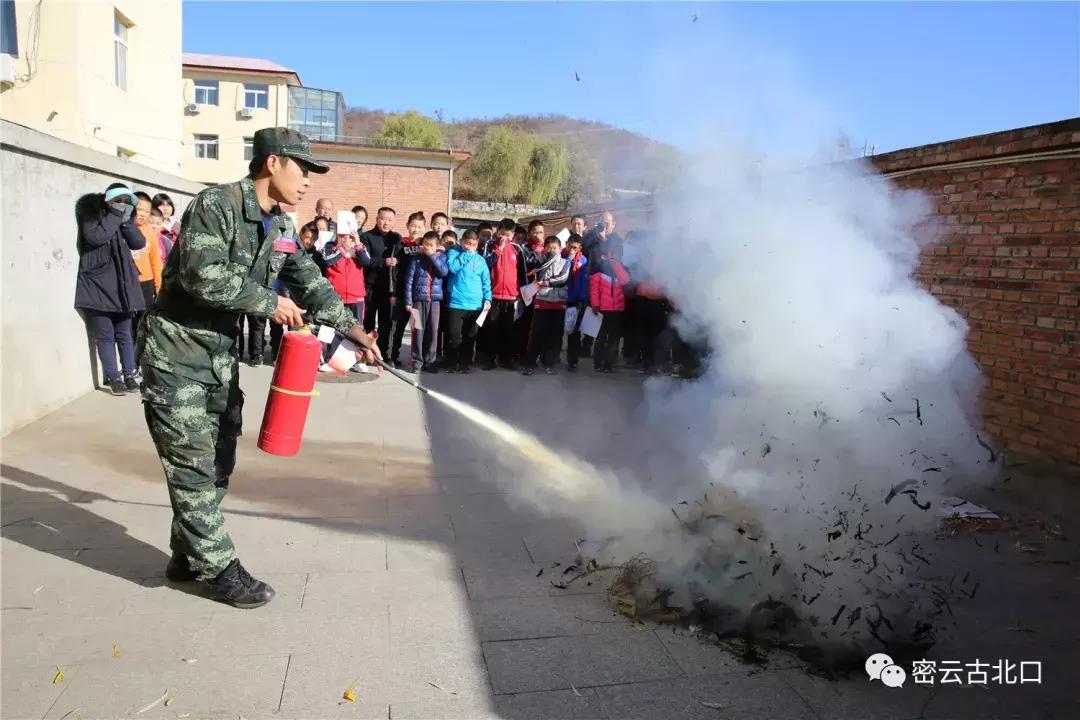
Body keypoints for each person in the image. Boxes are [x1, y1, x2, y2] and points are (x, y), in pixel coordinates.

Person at [137, 127, 380, 609]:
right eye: (302, 168)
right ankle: (220, 569)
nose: (307, 181)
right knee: (192, 467)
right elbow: (202, 275)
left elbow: (309, 281)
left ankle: (187, 555)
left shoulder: (282, 226)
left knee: (219, 461)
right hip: (176, 355)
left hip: (219, 359)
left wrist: (354, 330)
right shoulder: (217, 205)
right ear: (272, 163)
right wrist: (271, 303)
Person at [75, 182, 148, 395]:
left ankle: (129, 374)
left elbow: (138, 242)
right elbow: (96, 237)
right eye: (118, 200)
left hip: (123, 287)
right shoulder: (91, 214)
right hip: (97, 286)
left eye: (126, 202)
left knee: (124, 334)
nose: (122, 205)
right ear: (107, 200)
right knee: (105, 335)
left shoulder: (121, 219)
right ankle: (114, 378)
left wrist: (126, 223)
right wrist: (116, 214)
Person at [318, 223, 370, 371]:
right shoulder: (329, 247)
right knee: (333, 329)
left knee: (357, 330)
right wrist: (342, 248)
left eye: (348, 235)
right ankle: (330, 360)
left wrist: (357, 244)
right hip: (336, 296)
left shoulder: (360, 247)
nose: (346, 238)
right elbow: (328, 261)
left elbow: (366, 261)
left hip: (356, 296)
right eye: (342, 235)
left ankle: (358, 360)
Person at [480, 218, 530, 370]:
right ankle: (490, 359)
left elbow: (523, 273)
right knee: (491, 329)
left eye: (508, 235)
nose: (505, 238)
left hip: (512, 296)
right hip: (493, 296)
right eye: (502, 234)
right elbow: (485, 265)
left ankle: (506, 359)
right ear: (497, 231)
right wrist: (499, 249)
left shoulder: (517, 249)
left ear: (513, 235)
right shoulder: (490, 245)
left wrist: (523, 294)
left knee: (509, 330)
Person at [443, 230, 491, 373]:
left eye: (474, 245)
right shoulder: (453, 253)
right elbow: (452, 268)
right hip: (456, 303)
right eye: (467, 243)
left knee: (470, 336)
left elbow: (486, 281)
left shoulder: (480, 260)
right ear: (461, 241)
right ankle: (451, 362)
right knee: (454, 335)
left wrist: (488, 298)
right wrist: (466, 255)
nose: (470, 247)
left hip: (475, 304)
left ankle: (465, 363)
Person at [522, 236, 570, 375]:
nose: (552, 251)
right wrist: (548, 260)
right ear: (544, 249)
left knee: (554, 334)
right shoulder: (540, 262)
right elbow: (539, 277)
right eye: (549, 248)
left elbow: (563, 279)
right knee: (537, 333)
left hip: (559, 303)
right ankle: (530, 363)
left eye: (555, 248)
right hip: (542, 302)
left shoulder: (565, 263)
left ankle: (549, 363)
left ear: (560, 249)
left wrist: (547, 282)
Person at [404, 231, 449, 373]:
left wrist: (432, 256)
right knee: (418, 330)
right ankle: (417, 361)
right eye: (425, 245)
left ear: (437, 246)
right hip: (418, 301)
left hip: (434, 302)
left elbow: (443, 272)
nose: (427, 248)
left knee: (433, 331)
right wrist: (408, 301)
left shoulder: (441, 257)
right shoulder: (416, 259)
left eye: (431, 245)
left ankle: (430, 360)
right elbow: (409, 281)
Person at [386, 211, 427, 366]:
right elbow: (393, 271)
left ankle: (416, 359)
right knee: (397, 327)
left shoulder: (425, 246)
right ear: (407, 226)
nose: (416, 229)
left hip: (418, 296)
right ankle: (392, 356)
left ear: (424, 228)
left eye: (419, 227)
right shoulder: (399, 246)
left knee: (417, 327)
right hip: (402, 294)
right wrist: (393, 293)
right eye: (413, 226)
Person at [360, 207, 401, 358]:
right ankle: (366, 353)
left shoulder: (396, 238)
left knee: (386, 323)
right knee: (368, 322)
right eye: (383, 219)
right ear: (377, 219)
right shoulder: (366, 237)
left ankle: (383, 354)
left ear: (394, 222)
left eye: (390, 220)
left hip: (388, 289)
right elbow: (365, 260)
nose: (386, 223)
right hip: (369, 287)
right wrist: (384, 262)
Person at [589, 244, 631, 373]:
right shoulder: (600, 267)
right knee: (601, 337)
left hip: (617, 309)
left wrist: (616, 265)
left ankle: (608, 363)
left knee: (613, 338)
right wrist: (595, 304)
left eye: (617, 252)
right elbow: (594, 288)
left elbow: (625, 281)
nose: (614, 255)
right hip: (603, 308)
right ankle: (597, 362)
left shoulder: (622, 267)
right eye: (612, 252)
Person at [131, 193, 164, 339]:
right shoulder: (124, 228)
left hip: (146, 283)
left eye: (146, 211)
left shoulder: (150, 233)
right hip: (129, 282)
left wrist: (159, 287)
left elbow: (156, 262)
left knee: (144, 319)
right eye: (139, 209)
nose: (143, 214)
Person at [563, 234, 590, 371]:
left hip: (576, 301)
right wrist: (569, 260)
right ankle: (550, 358)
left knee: (574, 332)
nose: (572, 250)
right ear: (566, 244)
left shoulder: (583, 261)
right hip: (562, 298)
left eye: (575, 248)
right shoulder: (561, 257)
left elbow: (584, 283)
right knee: (557, 330)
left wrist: (582, 299)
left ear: (580, 248)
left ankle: (572, 360)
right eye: (570, 246)